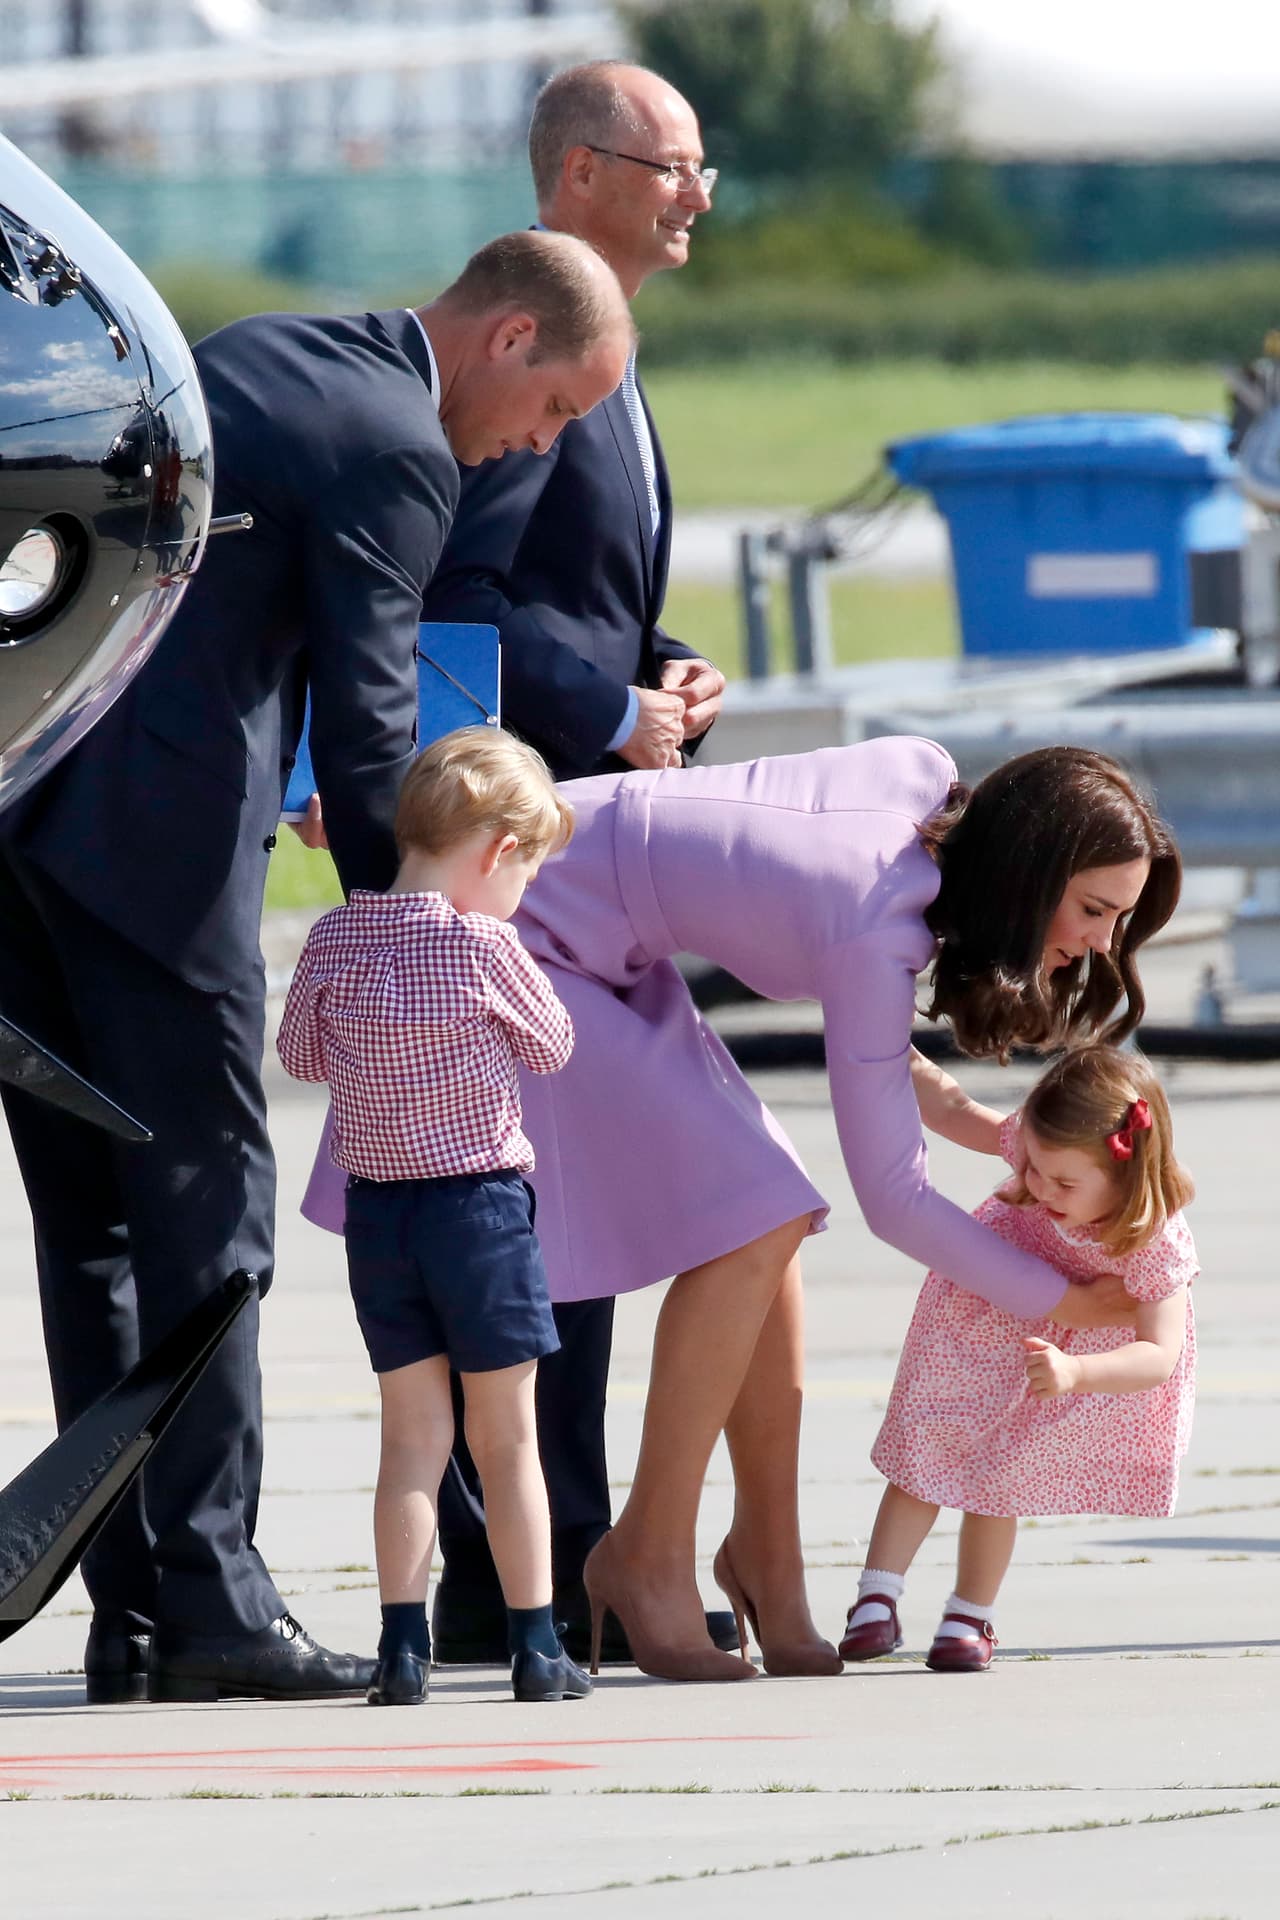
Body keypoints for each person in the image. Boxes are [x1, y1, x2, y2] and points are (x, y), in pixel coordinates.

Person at [0, 230, 632, 1705]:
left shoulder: (264, 352)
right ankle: (216, 1603)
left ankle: (134, 1605)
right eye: (548, 416)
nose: (524, 448)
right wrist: (406, 947)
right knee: (214, 1225)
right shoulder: (402, 445)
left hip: (27, 831)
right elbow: (369, 727)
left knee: (88, 1228)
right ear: (511, 340)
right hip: (159, 865)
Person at [305, 736, 1182, 1682]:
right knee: (760, 1208)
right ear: (1024, 872)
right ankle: (645, 1559)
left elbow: (871, 1035)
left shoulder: (923, 790)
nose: (1100, 941)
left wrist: (990, 1131)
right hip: (522, 938)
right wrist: (1056, 1297)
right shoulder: (876, 917)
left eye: (1117, 920)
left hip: (595, 941)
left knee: (771, 1208)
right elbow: (895, 1200)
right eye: (1093, 910)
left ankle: (767, 1558)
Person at [421, 59, 730, 1666]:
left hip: (586, 822)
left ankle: (572, 1558)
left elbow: (581, 591)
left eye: (703, 168)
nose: (695, 192)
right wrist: (603, 703)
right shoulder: (532, 342)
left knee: (575, 1220)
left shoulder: (609, 338)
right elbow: (465, 603)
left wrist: (661, 670)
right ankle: (514, 1581)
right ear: (581, 173)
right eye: (672, 165)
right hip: (521, 863)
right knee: (524, 1225)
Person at [278, 730, 591, 1706]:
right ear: (497, 850)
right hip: (480, 1212)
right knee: (506, 1441)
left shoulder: (335, 937)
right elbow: (553, 1048)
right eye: (527, 871)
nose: (523, 892)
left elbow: (297, 1057)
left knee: (410, 1440)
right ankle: (536, 1647)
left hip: (379, 1219)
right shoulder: (486, 945)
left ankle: (400, 1650)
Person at [843, 1045, 1196, 1674]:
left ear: (1127, 1173)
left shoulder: (1154, 1238)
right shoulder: (1047, 1147)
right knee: (926, 1444)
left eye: (1063, 1183)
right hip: (981, 1321)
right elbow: (955, 1111)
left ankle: (965, 1616)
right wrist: (889, 1042)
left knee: (1000, 1480)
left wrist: (1076, 1371)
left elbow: (1159, 1354)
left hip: (1057, 1360)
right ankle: (876, 1598)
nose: (1038, 1188)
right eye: (1032, 1168)